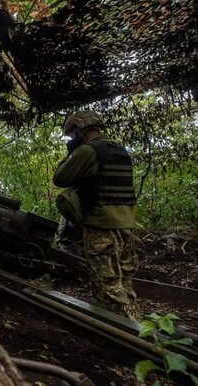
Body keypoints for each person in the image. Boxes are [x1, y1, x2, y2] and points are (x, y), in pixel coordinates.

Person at [53, 110, 140, 321]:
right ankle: (140, 327)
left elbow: (60, 177)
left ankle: (126, 339)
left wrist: (72, 152)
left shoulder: (88, 151)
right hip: (127, 225)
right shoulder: (120, 150)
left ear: (79, 129)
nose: (71, 138)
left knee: (108, 288)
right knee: (125, 285)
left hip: (102, 225)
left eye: (72, 134)